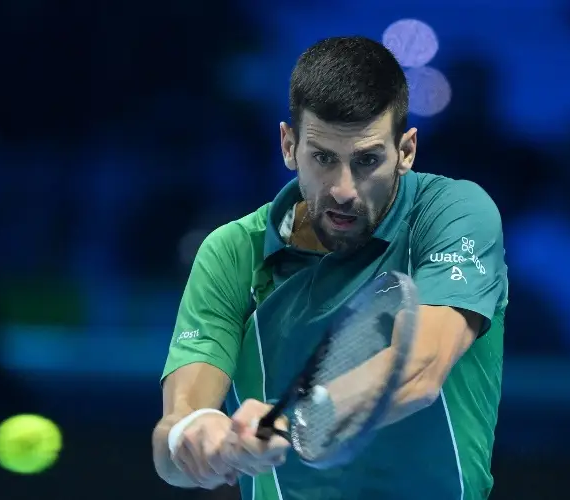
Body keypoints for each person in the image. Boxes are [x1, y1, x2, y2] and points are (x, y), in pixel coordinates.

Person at [152, 35, 508, 500]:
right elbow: (171, 440)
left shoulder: (454, 212)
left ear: (406, 151)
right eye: (323, 158)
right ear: (288, 145)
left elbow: (420, 367)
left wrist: (296, 419)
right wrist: (198, 436)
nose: (343, 189)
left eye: (366, 161)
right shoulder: (231, 252)